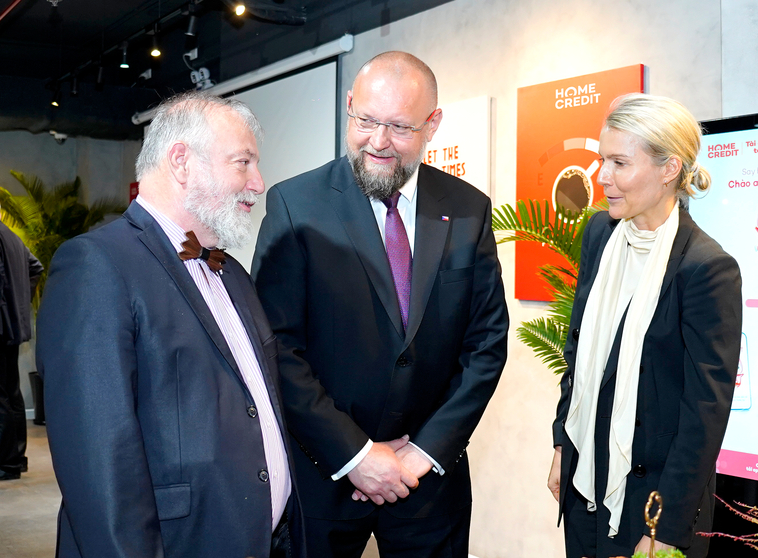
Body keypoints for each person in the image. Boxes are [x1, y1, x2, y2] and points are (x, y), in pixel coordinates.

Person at [251, 51, 508, 557]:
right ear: (349, 105)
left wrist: (424, 452)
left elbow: (486, 345)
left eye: (399, 127)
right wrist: (355, 454)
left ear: (433, 123)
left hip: (430, 487)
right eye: (366, 120)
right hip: (324, 476)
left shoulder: (468, 209)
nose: (379, 142)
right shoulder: (294, 206)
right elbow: (278, 346)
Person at [36, 92, 305, 558]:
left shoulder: (232, 273)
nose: (258, 183)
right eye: (243, 163)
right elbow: (99, 465)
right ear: (181, 161)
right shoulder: (96, 265)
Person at [547, 93, 743, 558]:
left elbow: (704, 414)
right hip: (585, 480)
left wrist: (666, 531)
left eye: (618, 162)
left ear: (669, 168)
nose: (602, 177)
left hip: (651, 502)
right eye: (601, 160)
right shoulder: (602, 232)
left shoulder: (707, 268)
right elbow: (580, 354)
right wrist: (562, 443)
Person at [0, 217, 43, 481]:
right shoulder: (11, 236)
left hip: (2, 327)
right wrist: (19, 304)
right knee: (10, 394)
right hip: (10, 326)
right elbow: (35, 267)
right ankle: (15, 459)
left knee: (4, 396)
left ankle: (8, 464)